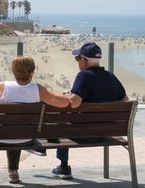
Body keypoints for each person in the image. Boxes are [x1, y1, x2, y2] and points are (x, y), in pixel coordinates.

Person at [0, 55, 70, 185]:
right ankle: (13, 172)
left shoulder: (2, 87)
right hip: (26, 138)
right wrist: (69, 96)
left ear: (13, 71)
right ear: (32, 72)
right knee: (18, 129)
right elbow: (63, 103)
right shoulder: (39, 90)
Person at [51, 42, 129, 179]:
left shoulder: (83, 76)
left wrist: (68, 95)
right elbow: (125, 100)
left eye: (77, 59)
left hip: (85, 134)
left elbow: (74, 103)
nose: (77, 62)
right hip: (107, 132)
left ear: (84, 60)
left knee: (62, 124)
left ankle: (64, 167)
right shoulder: (111, 76)